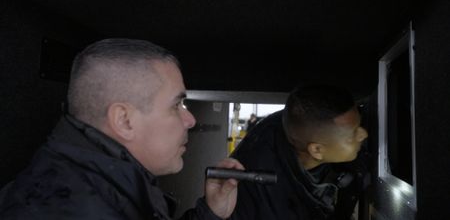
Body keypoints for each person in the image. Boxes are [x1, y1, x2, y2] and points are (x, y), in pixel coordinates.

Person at [0, 38, 244, 219]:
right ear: (124, 120)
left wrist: (210, 214)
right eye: (177, 104)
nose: (190, 120)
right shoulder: (67, 209)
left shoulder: (91, 192)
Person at [230, 85, 370, 220]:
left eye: (360, 124)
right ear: (317, 150)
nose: (364, 134)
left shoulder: (306, 120)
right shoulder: (276, 206)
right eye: (353, 135)